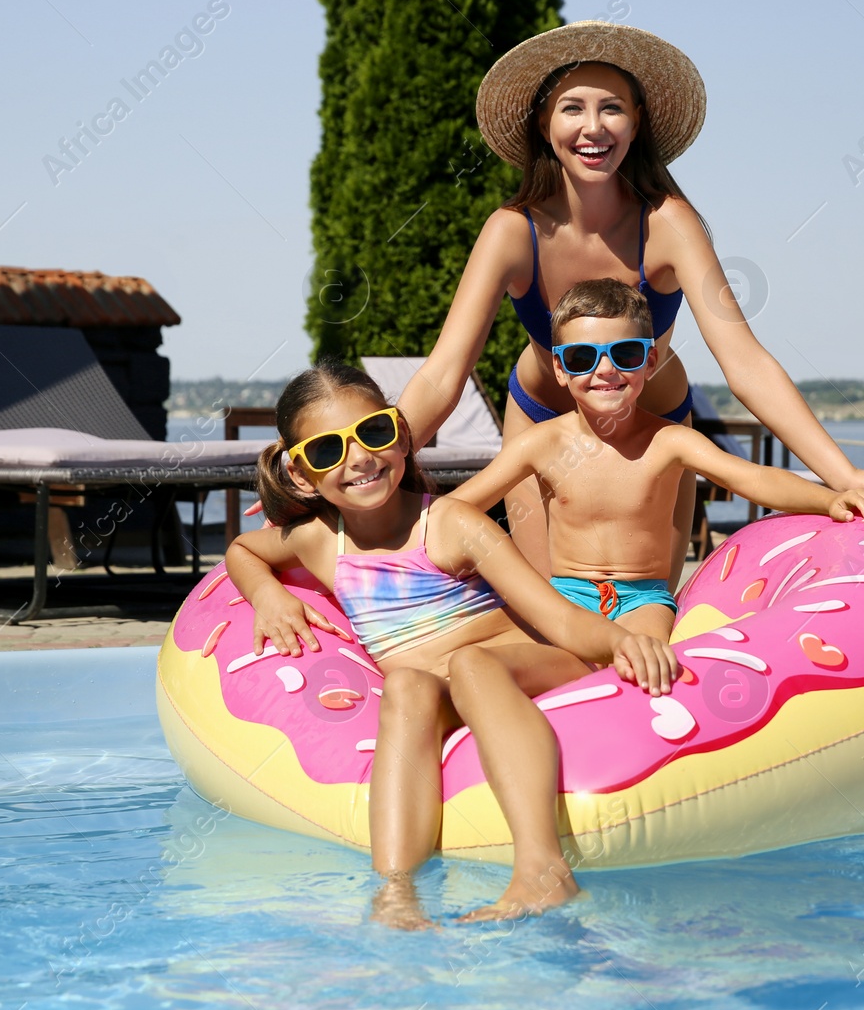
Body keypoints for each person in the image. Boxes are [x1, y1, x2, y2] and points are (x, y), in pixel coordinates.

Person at [399, 22, 864, 585]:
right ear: (543, 123)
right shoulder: (512, 232)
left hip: (654, 432)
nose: (592, 127)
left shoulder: (669, 225)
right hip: (544, 421)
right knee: (547, 616)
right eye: (572, 108)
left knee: (650, 605)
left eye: (611, 109)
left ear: (636, 124)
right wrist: (363, 454)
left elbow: (745, 362)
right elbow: (443, 375)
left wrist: (844, 475)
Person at [224, 360, 679, 928]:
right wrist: (268, 596)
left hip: (531, 668)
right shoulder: (320, 542)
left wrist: (618, 640)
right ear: (299, 473)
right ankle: (395, 893)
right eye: (327, 451)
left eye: (374, 433)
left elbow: (556, 619)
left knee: (470, 663)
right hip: (446, 692)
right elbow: (243, 550)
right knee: (407, 687)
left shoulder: (449, 524)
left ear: (402, 434)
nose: (359, 458)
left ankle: (544, 872)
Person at [450, 279, 864, 649]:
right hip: (565, 597)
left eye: (625, 355)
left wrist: (832, 499)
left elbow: (753, 478)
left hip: (643, 601)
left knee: (643, 659)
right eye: (582, 358)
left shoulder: (669, 442)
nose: (605, 370)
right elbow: (459, 508)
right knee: (501, 663)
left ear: (650, 361)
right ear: (560, 370)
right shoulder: (540, 444)